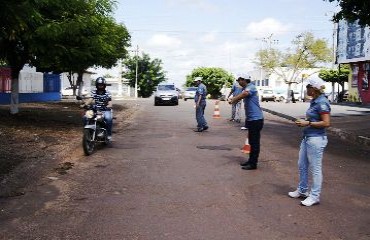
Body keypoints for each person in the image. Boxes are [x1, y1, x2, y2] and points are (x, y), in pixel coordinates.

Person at [288, 78, 331, 207]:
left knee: (315, 169)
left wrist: (308, 123)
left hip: (316, 139)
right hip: (307, 137)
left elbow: (326, 123)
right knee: (302, 164)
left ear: (314, 88)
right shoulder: (314, 101)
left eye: (308, 87)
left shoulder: (322, 102)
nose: (306, 89)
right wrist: (304, 121)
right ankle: (302, 190)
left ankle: (314, 196)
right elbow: (312, 117)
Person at [229, 74, 264, 170]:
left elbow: (244, 94)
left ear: (244, 80)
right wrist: (234, 100)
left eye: (238, 80)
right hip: (251, 119)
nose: (238, 82)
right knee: (252, 142)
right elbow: (242, 94)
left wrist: (234, 99)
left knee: (255, 142)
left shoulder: (251, 87)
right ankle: (250, 160)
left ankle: (253, 164)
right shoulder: (246, 88)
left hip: (256, 119)